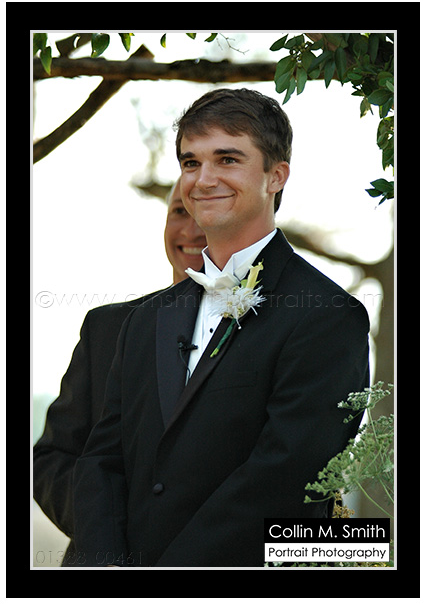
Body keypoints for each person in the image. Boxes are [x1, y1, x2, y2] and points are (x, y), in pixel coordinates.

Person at [73, 88, 370, 568]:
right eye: (191, 163)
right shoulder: (145, 320)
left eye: (227, 159)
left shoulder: (328, 315)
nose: (203, 179)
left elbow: (285, 476)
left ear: (276, 176)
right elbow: (102, 460)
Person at [33, 181, 206, 567]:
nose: (192, 230)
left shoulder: (268, 329)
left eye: (204, 214)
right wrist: (106, 536)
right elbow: (51, 458)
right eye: (180, 211)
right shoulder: (107, 327)